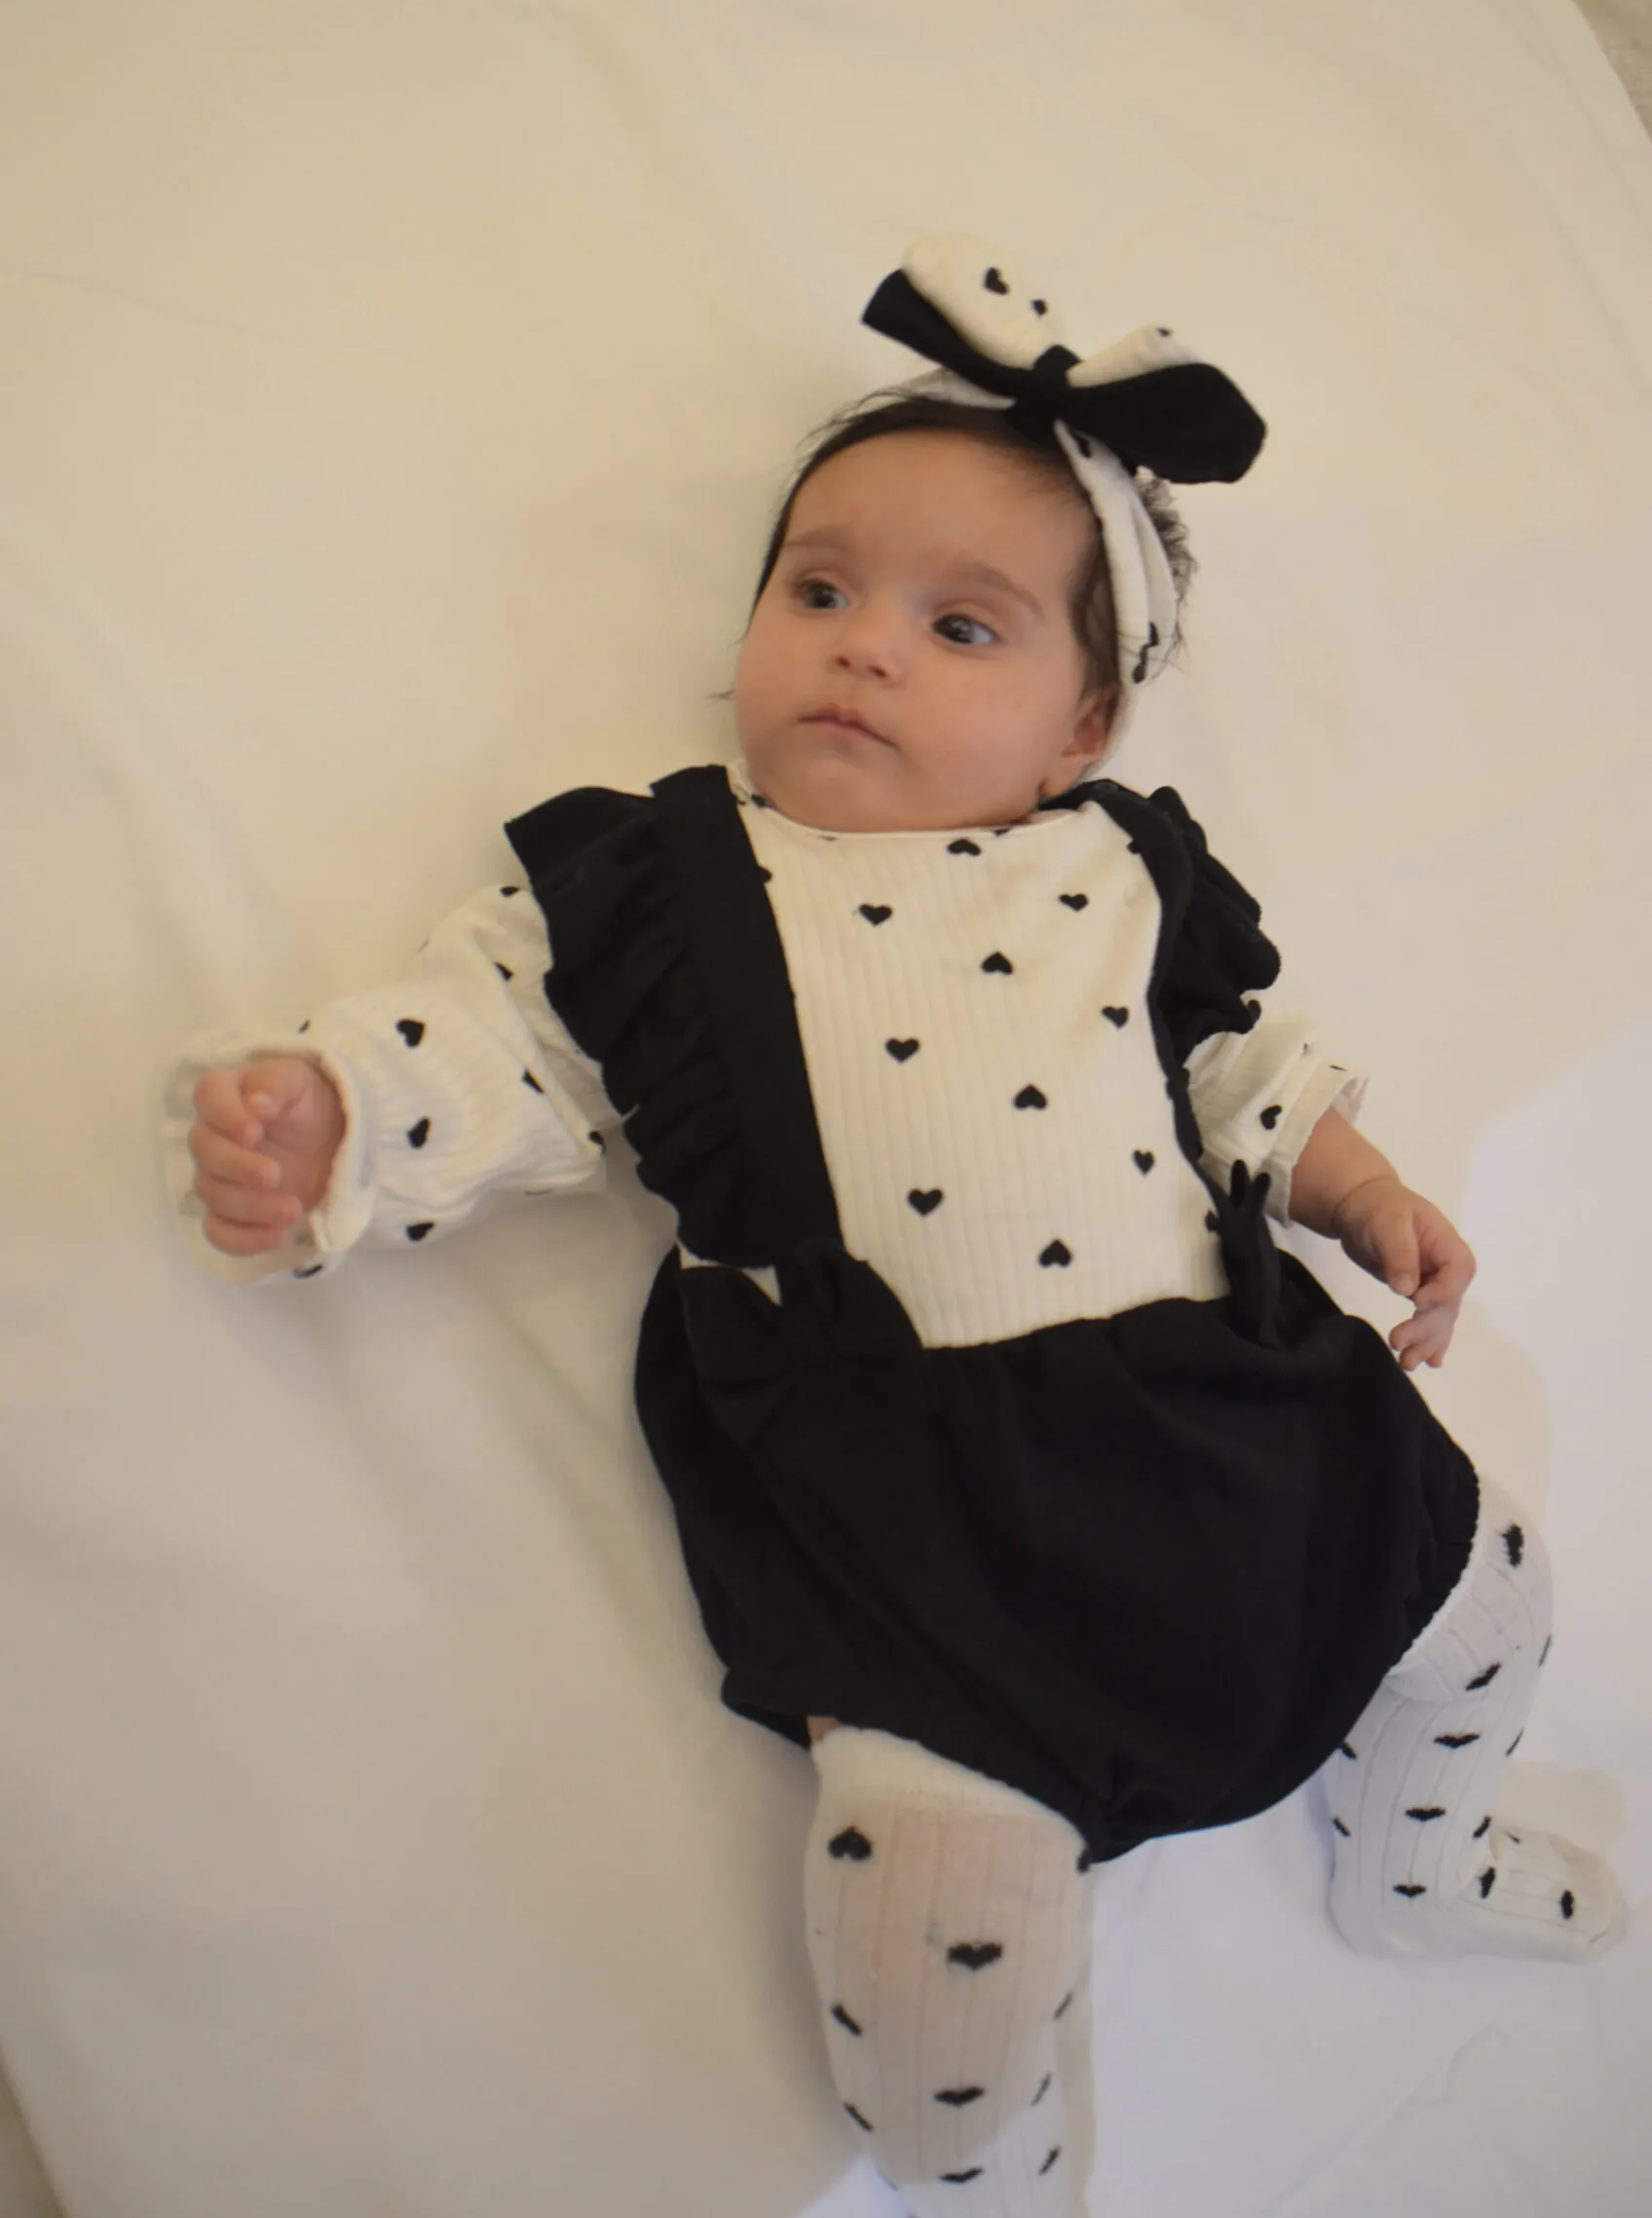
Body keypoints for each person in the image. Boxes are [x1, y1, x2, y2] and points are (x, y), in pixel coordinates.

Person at [166, 237, 1625, 2217]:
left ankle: (1418, 1857)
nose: (861, 647)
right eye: (819, 589)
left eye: (960, 624)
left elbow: (1240, 1068)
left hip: (1233, 1418)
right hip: (912, 1497)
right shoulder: (670, 885)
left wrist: (1362, 1191)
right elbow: (496, 1038)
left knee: (1487, 1582)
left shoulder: (1116, 878)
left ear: (1080, 732)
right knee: (931, 1889)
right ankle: (985, 2165)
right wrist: (336, 1113)